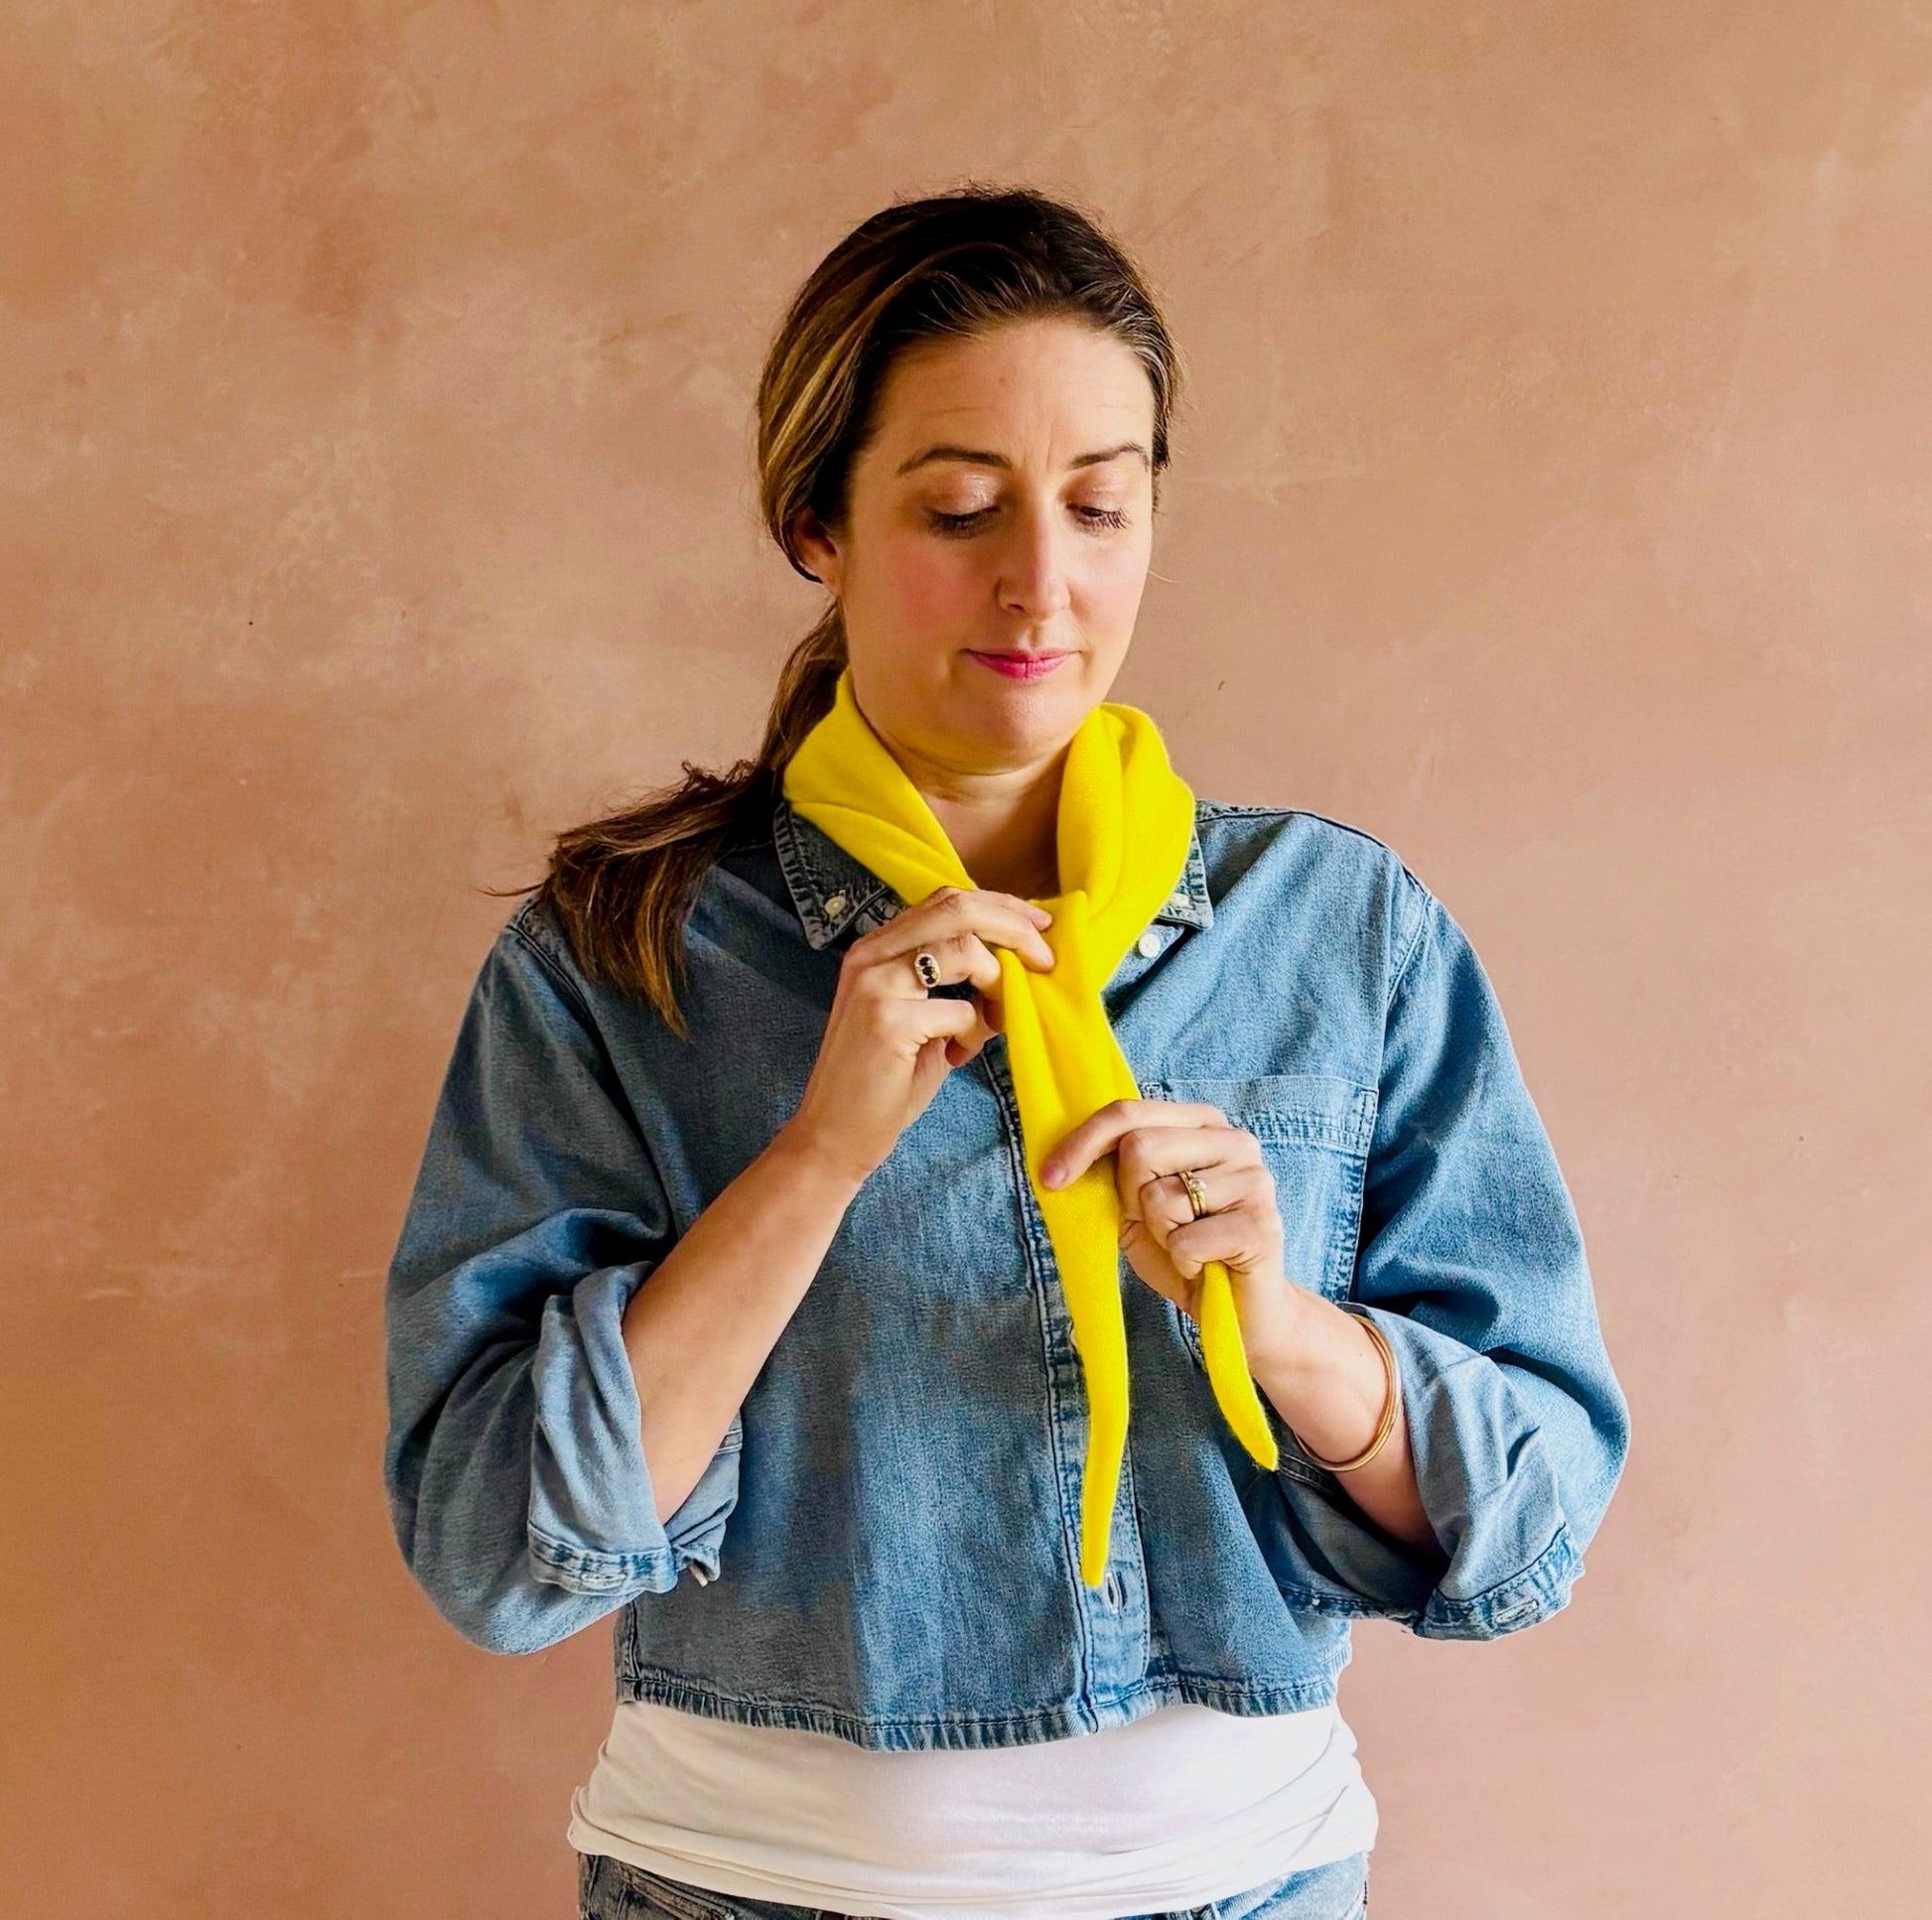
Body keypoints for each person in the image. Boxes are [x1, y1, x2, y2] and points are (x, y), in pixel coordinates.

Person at [381, 185, 1631, 1920]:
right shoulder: (622, 955)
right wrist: (814, 1157)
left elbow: (1534, 1521)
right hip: (751, 1892)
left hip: (1249, 1888)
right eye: (960, 507)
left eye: (1101, 504)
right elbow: (494, 1544)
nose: (1041, 579)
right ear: (814, 521)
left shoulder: (1347, 932)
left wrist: (1274, 1323)